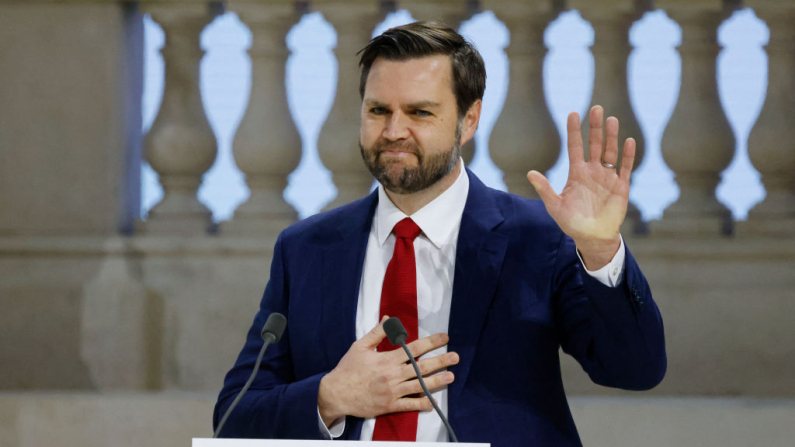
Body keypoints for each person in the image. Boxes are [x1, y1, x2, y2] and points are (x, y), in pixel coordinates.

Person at [214, 21, 666, 446]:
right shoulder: (306, 248)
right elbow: (234, 416)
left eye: (419, 112)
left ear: (469, 121)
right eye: (378, 110)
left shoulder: (538, 238)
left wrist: (600, 246)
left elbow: (635, 369)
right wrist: (331, 396)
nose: (393, 131)